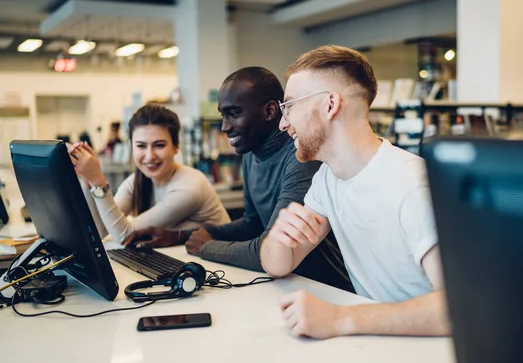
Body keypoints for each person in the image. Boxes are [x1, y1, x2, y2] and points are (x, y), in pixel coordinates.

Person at [260, 46, 449, 338]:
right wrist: (279, 238)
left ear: (330, 104)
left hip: (427, 356)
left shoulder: (413, 186)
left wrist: (339, 318)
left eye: (290, 106)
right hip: (379, 346)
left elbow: (456, 308)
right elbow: (278, 265)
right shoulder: (327, 178)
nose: (283, 123)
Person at [126, 67, 353, 292]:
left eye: (234, 114)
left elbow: (269, 249)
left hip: (329, 290)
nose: (225, 126)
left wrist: (206, 246)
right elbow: (252, 224)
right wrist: (176, 236)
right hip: (289, 287)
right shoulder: (250, 155)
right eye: (223, 115)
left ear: (270, 111)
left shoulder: (301, 158)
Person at [68, 104, 230, 244]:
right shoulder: (139, 179)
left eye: (159, 145)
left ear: (176, 147)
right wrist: (86, 179)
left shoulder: (190, 187)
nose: (149, 155)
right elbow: (100, 230)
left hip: (219, 269)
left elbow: (125, 235)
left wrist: (97, 181)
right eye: (141, 146)